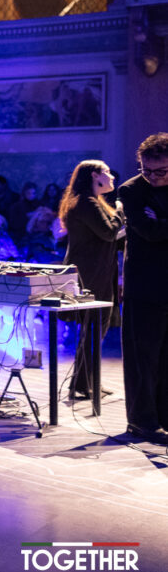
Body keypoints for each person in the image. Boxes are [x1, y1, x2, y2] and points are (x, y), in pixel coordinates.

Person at [59, 159, 125, 401]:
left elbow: (109, 235)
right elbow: (109, 232)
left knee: (95, 329)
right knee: (95, 327)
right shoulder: (87, 202)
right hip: (91, 273)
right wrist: (120, 209)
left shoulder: (91, 201)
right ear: (94, 176)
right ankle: (82, 384)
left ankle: (85, 382)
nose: (112, 176)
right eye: (106, 172)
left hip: (96, 270)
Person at [117, 133, 168, 444]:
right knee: (143, 359)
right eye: (146, 170)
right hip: (145, 286)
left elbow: (158, 228)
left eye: (161, 171)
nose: (152, 177)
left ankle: (164, 418)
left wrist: (162, 222)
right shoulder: (131, 190)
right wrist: (158, 225)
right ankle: (142, 422)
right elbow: (148, 232)